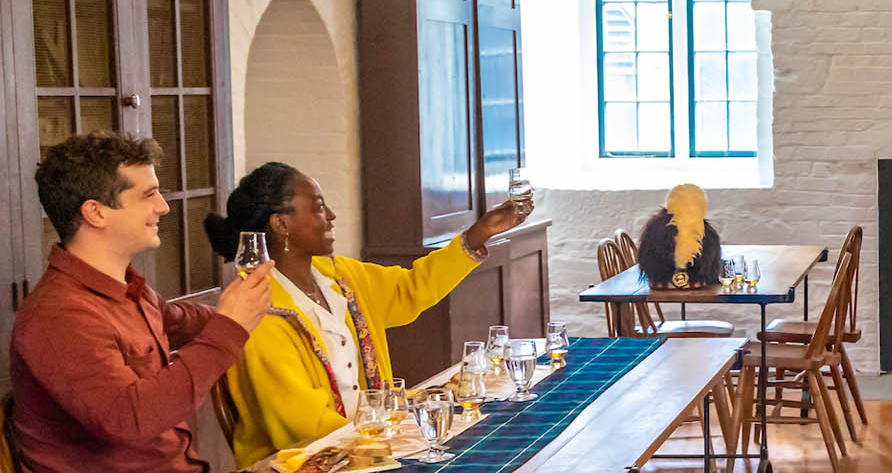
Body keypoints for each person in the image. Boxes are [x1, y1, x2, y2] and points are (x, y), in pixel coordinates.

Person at [205, 162, 531, 465]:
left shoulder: (340, 277)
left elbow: (411, 288)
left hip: (370, 446)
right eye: (318, 207)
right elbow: (304, 425)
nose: (331, 215)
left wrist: (481, 232)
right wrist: (396, 433)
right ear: (281, 223)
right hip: (314, 462)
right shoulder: (259, 309)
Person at [11, 131, 275, 472]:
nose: (163, 207)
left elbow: (178, 319)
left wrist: (250, 313)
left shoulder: (127, 288)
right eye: (148, 195)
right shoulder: (57, 314)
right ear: (96, 213)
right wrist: (229, 327)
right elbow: (130, 419)